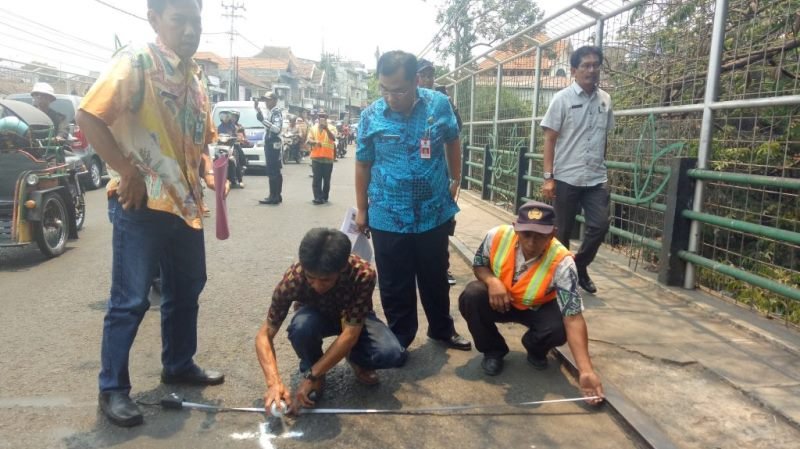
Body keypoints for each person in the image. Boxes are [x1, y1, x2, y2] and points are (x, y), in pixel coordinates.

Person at [75, 0, 225, 428]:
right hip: (141, 203)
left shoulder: (196, 76)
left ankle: (178, 363)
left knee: (187, 287)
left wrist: (208, 170)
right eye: (180, 20)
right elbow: (89, 115)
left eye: (196, 21)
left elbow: (200, 137)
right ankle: (112, 389)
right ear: (155, 19)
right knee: (130, 300)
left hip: (185, 203)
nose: (190, 30)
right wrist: (127, 171)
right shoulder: (136, 60)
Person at [355, 50, 471, 351]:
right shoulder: (370, 116)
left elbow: (453, 139)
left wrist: (455, 179)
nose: (391, 97)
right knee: (395, 281)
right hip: (387, 213)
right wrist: (362, 209)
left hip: (432, 211)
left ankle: (441, 330)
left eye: (399, 90)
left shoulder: (438, 105)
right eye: (384, 89)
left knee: (435, 275)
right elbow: (363, 163)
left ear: (416, 81)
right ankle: (400, 337)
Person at [458, 201, 604, 405]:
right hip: (501, 300)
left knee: (558, 328)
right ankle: (493, 350)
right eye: (526, 234)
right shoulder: (497, 236)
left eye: (540, 236)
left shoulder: (562, 262)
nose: (531, 243)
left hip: (538, 307)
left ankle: (535, 347)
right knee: (471, 295)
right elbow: (479, 265)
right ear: (516, 227)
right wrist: (492, 281)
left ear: (552, 233)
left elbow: (573, 317)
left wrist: (586, 371)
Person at [255, 228, 407, 415]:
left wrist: (310, 377)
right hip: (315, 316)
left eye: (325, 280)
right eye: (311, 278)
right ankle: (314, 366)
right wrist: (273, 382)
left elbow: (350, 333)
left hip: (354, 319)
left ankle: (354, 359)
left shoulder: (363, 274)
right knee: (301, 328)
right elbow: (264, 335)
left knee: (391, 354)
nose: (317, 286)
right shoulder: (293, 279)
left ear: (342, 268)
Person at [540, 45, 614, 294]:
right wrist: (548, 177)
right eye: (585, 66)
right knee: (562, 232)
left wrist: (603, 166)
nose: (591, 70)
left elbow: (604, 138)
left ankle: (579, 266)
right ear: (574, 70)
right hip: (566, 176)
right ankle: (561, 279)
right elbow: (550, 139)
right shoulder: (562, 99)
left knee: (600, 225)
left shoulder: (605, 100)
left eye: (595, 65)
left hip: (595, 178)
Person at [418, 59, 461, 288]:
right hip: (415, 178)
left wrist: (454, 179)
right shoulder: (406, 103)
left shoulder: (442, 102)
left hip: (440, 177)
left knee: (442, 222)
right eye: (422, 75)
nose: (427, 80)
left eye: (430, 76)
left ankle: (442, 268)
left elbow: (456, 134)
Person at [257, 91, 283, 204]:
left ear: (275, 101)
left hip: (273, 143)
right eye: (265, 100)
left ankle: (274, 196)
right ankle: (276, 195)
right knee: (274, 170)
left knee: (273, 170)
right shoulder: (270, 112)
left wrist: (263, 121)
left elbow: (277, 129)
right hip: (270, 143)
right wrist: (258, 112)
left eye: (268, 100)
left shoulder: (276, 112)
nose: (266, 102)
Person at [306, 109, 337, 204]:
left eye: (323, 116)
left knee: (326, 180)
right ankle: (317, 198)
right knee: (316, 179)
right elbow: (308, 140)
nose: (321, 117)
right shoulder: (313, 128)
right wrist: (314, 142)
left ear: (326, 117)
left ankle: (324, 197)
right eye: (320, 116)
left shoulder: (332, 128)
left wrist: (326, 128)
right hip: (316, 157)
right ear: (317, 117)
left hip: (328, 158)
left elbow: (333, 138)